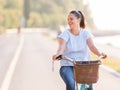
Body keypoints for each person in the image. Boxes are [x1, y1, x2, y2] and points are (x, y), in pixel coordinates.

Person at [52, 10, 107, 90]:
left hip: (84, 66)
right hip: (68, 66)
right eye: (68, 19)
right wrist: (57, 55)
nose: (69, 21)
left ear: (78, 19)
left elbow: (92, 46)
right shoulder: (65, 34)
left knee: (89, 87)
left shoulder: (85, 34)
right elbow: (61, 48)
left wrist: (100, 53)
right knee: (71, 84)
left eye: (71, 19)